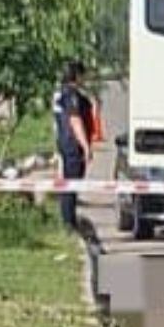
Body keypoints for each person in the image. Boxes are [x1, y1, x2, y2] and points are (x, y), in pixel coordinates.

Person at [52, 60, 92, 228]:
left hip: (64, 143)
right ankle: (69, 223)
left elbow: (55, 123)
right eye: (83, 75)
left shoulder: (60, 94)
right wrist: (86, 146)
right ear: (77, 75)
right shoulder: (72, 95)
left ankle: (68, 220)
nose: (85, 78)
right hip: (73, 146)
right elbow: (75, 120)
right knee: (71, 185)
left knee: (68, 184)